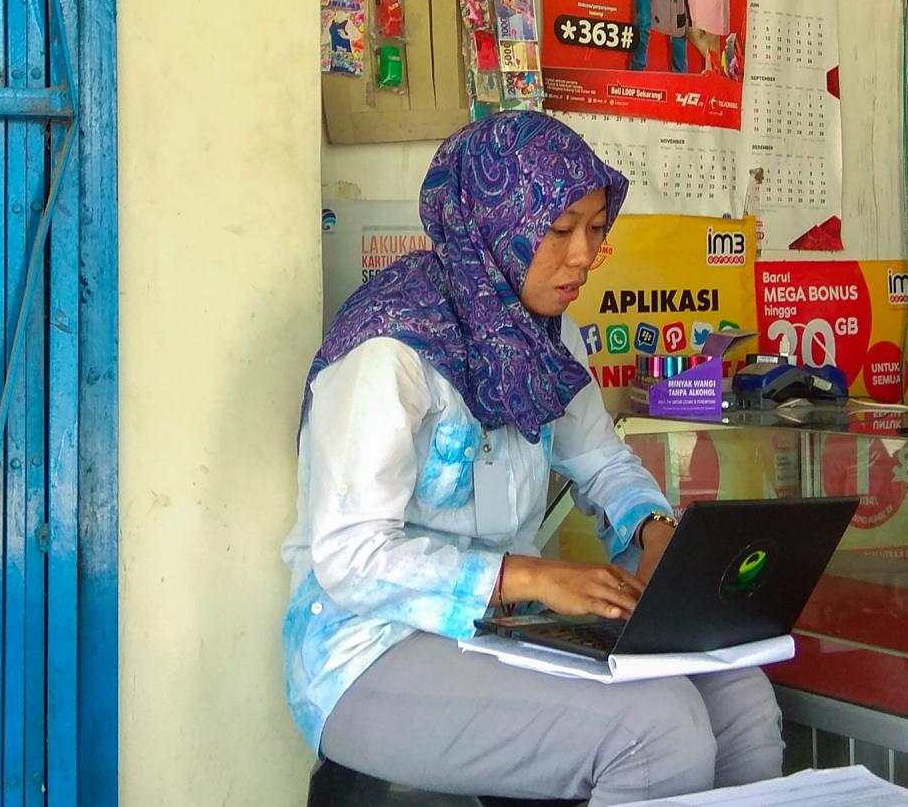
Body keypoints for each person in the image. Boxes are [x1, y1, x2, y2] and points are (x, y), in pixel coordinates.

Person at [283, 114, 785, 804]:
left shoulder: (546, 337)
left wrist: (654, 530)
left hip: (504, 630)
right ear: (498, 222)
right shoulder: (389, 348)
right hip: (368, 652)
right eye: (559, 230)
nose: (581, 254)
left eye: (597, 228)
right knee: (657, 730)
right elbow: (350, 556)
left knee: (741, 701)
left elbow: (602, 462)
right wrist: (529, 578)